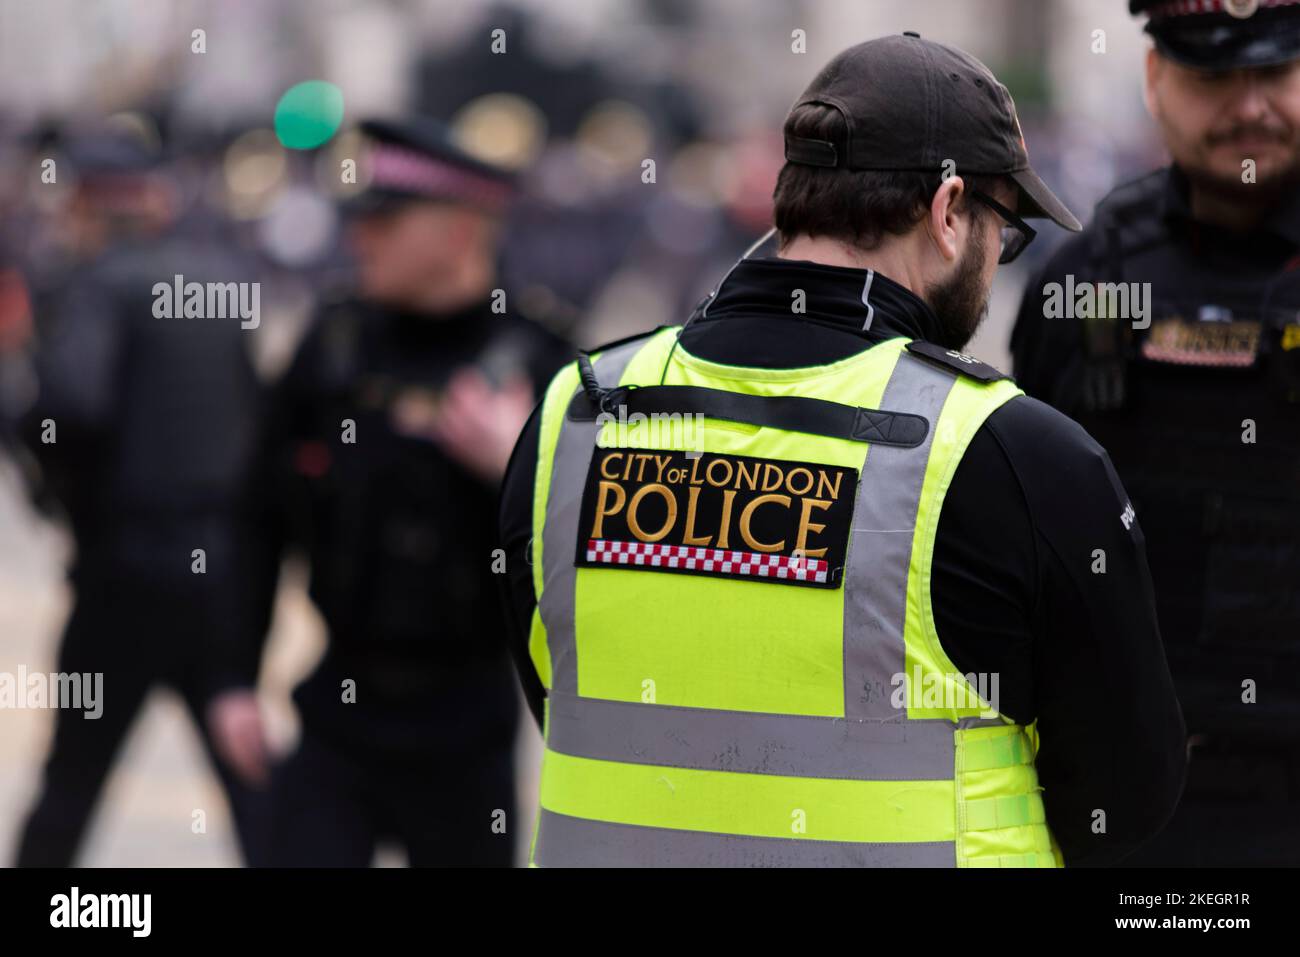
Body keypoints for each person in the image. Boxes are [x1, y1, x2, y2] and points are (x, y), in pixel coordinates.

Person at [499, 33, 1187, 867]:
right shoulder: (1016, 456)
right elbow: (1123, 796)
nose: (996, 262)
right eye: (1002, 233)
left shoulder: (578, 413)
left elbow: (560, 691)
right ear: (947, 211)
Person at [1011, 0, 1300, 866]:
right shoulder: (1090, 276)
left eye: (1274, 74)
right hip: (1139, 806)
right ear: (1155, 81)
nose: (1247, 106)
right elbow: (1028, 543)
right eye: (1213, 78)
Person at [241, 117, 570, 866]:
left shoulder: (544, 358)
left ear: (459, 231)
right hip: (337, 706)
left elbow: (597, 563)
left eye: (385, 222)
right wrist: (234, 674)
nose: (361, 239)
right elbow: (257, 517)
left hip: (468, 724)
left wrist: (519, 467)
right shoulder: (333, 345)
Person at [5, 130, 269, 866]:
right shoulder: (218, 279)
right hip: (218, 576)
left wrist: (42, 458)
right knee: (248, 777)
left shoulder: (98, 285)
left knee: (71, 783)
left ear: (87, 206)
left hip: (124, 574)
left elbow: (71, 408)